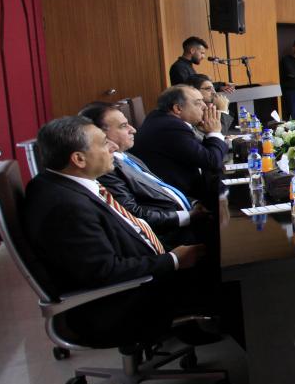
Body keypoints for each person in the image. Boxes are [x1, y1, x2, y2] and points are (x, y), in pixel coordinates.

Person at [21, 117, 210, 344]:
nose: (113, 146)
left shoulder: (65, 183)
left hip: (140, 270)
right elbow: (104, 271)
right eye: (103, 143)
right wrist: (173, 260)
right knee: (237, 274)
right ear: (78, 159)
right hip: (120, 305)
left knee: (215, 243)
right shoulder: (66, 207)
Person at [80, 102, 199, 246]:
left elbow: (163, 190)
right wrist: (190, 216)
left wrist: (195, 203)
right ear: (99, 133)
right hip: (169, 238)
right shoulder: (105, 170)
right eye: (123, 126)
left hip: (185, 220)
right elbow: (133, 215)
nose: (133, 130)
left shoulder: (127, 155)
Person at [129, 85, 228, 201]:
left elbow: (202, 153)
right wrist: (214, 132)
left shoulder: (160, 118)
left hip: (179, 190)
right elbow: (212, 161)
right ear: (177, 109)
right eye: (198, 103)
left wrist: (208, 134)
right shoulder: (171, 127)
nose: (205, 106)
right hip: (182, 199)